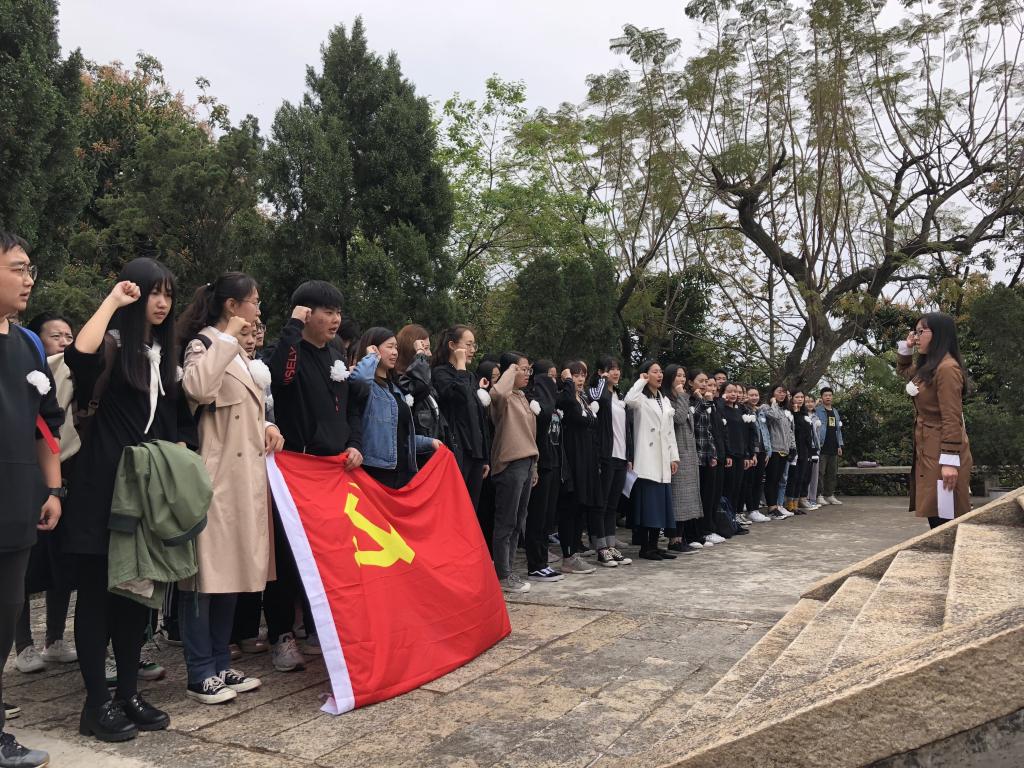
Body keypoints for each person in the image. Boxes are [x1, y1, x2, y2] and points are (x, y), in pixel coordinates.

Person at [64, 257, 189, 742]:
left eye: (168, 294)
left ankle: (129, 695)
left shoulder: (163, 355)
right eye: (153, 292)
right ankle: (96, 703)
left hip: (145, 491)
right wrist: (114, 300)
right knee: (97, 594)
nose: (162, 303)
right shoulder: (116, 343)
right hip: (102, 486)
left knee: (136, 594)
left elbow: (174, 423)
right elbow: (80, 357)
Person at [177, 273, 283, 704]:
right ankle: (199, 670)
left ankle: (220, 662)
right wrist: (225, 339)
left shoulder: (237, 351)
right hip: (214, 479)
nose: (258, 309)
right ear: (231, 305)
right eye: (253, 301)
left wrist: (267, 426)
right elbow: (198, 390)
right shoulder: (204, 344)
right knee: (204, 578)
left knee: (232, 574)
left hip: (244, 479)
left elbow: (245, 409)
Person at [267, 280, 364, 672]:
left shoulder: (336, 354)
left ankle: (317, 628)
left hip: (334, 469)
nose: (335, 319)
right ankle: (281, 634)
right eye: (327, 311)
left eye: (338, 311)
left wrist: (354, 442)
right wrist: (292, 327)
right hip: (297, 468)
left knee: (329, 553)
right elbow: (280, 378)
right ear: (306, 314)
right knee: (290, 555)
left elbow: (351, 406)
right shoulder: (289, 350)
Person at [0, 231, 63, 768]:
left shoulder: (29, 345)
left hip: (19, 500)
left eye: (30, 269)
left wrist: (54, 488)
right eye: (17, 268)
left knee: (6, 613)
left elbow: (46, 424)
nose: (28, 280)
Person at [13, 314, 78, 674]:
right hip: (26, 475)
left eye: (69, 336)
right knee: (24, 566)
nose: (64, 342)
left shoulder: (71, 376)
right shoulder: (26, 370)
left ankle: (55, 638)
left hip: (63, 475)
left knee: (61, 562)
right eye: (56, 336)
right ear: (38, 341)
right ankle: (23, 644)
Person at [897, 312, 974, 528]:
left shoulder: (947, 368)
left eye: (921, 332)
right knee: (935, 508)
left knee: (945, 512)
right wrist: (907, 348)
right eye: (915, 332)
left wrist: (950, 461)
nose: (916, 337)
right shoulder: (930, 366)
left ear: (938, 334)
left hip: (942, 449)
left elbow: (952, 417)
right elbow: (905, 371)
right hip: (929, 445)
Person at [351, 327, 440, 489]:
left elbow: (400, 436)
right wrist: (371, 357)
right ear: (373, 348)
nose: (394, 352)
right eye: (389, 347)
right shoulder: (369, 387)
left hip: (402, 472)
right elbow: (360, 380)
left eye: (396, 347)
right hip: (375, 472)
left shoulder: (396, 389)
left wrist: (430, 442)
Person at [485, 352, 539, 593]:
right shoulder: (503, 398)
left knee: (518, 522)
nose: (527, 374)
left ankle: (508, 570)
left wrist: (534, 466)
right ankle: (502, 574)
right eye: (522, 369)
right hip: (509, 464)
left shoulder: (522, 397)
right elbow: (496, 393)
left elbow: (531, 435)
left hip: (526, 462)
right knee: (506, 522)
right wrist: (510, 370)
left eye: (528, 370)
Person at [624, 360, 679, 561]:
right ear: (646, 374)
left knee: (661, 506)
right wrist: (641, 381)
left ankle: (655, 545)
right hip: (647, 458)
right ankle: (645, 547)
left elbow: (670, 431)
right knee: (649, 506)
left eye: (660, 371)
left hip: (663, 458)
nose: (660, 375)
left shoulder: (664, 400)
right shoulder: (640, 398)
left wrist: (674, 457)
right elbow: (629, 400)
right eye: (655, 371)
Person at [432, 326, 489, 510]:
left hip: (476, 452)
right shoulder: (440, 373)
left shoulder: (470, 377)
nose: (472, 350)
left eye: (474, 345)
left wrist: (485, 456)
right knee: (455, 507)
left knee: (471, 509)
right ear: (452, 345)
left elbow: (479, 417)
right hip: (457, 450)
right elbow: (458, 396)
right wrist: (461, 366)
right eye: (468, 344)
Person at [556, 361, 601, 573]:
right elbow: (571, 409)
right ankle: (568, 555)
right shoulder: (565, 398)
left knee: (581, 507)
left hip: (587, 459)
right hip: (571, 459)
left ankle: (574, 552)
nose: (580, 379)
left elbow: (593, 423)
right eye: (575, 375)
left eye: (583, 375)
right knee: (570, 508)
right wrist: (566, 382)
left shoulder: (583, 399)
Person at [588, 355, 632, 564]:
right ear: (600, 372)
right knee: (601, 503)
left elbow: (626, 428)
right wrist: (603, 381)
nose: (615, 372)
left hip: (621, 456)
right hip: (605, 455)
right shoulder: (597, 391)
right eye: (610, 368)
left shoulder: (619, 395)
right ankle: (601, 548)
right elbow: (599, 400)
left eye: (617, 369)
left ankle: (611, 545)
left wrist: (629, 455)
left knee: (613, 504)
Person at [524, 361, 565, 583]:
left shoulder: (550, 398)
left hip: (553, 463)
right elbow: (545, 415)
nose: (553, 380)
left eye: (555, 376)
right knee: (537, 517)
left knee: (547, 517)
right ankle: (535, 564)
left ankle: (543, 562)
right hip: (539, 463)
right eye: (550, 375)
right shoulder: (533, 398)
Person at [664, 364, 704, 552]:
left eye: (683, 376)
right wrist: (682, 395)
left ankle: (681, 537)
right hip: (676, 452)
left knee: (686, 497)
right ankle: (674, 539)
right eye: (678, 376)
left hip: (688, 451)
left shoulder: (681, 397)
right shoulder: (667, 399)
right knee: (678, 497)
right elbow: (679, 419)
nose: (681, 379)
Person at [396, 325, 447, 461]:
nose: (428, 354)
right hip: (417, 457)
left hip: (432, 453)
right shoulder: (400, 380)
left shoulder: (425, 378)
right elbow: (420, 385)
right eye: (425, 348)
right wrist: (419, 354)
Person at [688, 370, 722, 545]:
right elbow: (692, 421)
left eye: (705, 382)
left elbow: (710, 431)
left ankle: (706, 530)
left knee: (709, 496)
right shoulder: (689, 401)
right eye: (700, 381)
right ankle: (694, 533)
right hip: (694, 455)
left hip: (708, 454)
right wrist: (703, 400)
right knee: (696, 497)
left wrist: (713, 454)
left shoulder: (707, 401)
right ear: (690, 383)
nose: (704, 385)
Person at [760, 385, 795, 519]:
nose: (782, 395)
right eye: (779, 392)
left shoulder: (784, 410)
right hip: (773, 449)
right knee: (771, 479)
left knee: (778, 480)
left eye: (784, 393)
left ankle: (776, 506)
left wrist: (792, 447)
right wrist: (773, 403)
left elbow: (789, 431)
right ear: (772, 393)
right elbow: (773, 416)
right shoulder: (766, 407)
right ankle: (771, 507)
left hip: (784, 449)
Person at [745, 387, 773, 523]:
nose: (754, 397)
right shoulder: (745, 411)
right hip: (752, 452)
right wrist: (752, 453)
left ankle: (755, 509)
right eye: (751, 395)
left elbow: (765, 432)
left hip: (763, 451)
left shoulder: (760, 412)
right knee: (750, 481)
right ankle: (750, 509)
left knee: (759, 481)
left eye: (756, 395)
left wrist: (768, 451)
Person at [784, 391, 814, 514]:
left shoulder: (805, 413)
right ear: (791, 398)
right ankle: (789, 504)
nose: (800, 399)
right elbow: (795, 429)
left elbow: (808, 434)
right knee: (793, 478)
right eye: (797, 397)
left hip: (804, 451)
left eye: (802, 397)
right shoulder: (789, 413)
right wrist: (795, 412)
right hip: (794, 450)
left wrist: (811, 451)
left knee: (801, 478)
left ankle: (796, 505)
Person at [815, 387, 844, 505]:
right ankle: (819, 495)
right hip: (822, 445)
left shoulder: (835, 411)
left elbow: (838, 430)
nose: (828, 397)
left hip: (833, 446)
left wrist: (839, 445)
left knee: (832, 472)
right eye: (825, 395)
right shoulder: (817, 411)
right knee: (820, 472)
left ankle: (830, 494)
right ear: (821, 397)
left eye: (830, 395)